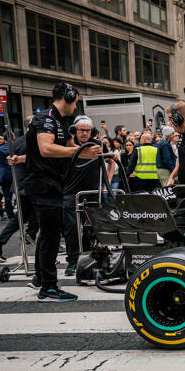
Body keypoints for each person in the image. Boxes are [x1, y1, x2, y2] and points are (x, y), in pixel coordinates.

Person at [25, 82, 100, 301]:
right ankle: (48, 286)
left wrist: (86, 150)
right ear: (67, 97)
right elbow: (46, 149)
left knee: (48, 235)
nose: (76, 107)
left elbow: (68, 148)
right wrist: (80, 151)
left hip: (51, 183)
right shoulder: (46, 118)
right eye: (75, 101)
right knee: (50, 236)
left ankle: (41, 278)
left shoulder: (59, 120)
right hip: (43, 184)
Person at [62, 116, 115, 277]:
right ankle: (72, 261)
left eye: (87, 130)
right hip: (70, 192)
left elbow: (111, 161)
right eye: (81, 130)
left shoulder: (98, 144)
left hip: (92, 193)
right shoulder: (69, 146)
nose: (84, 133)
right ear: (75, 131)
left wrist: (107, 185)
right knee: (70, 229)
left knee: (90, 228)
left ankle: (86, 256)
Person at [0, 116, 38, 264]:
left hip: (21, 186)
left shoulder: (18, 141)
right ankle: (33, 235)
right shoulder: (33, 141)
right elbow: (35, 160)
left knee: (20, 218)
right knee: (44, 213)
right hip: (31, 186)